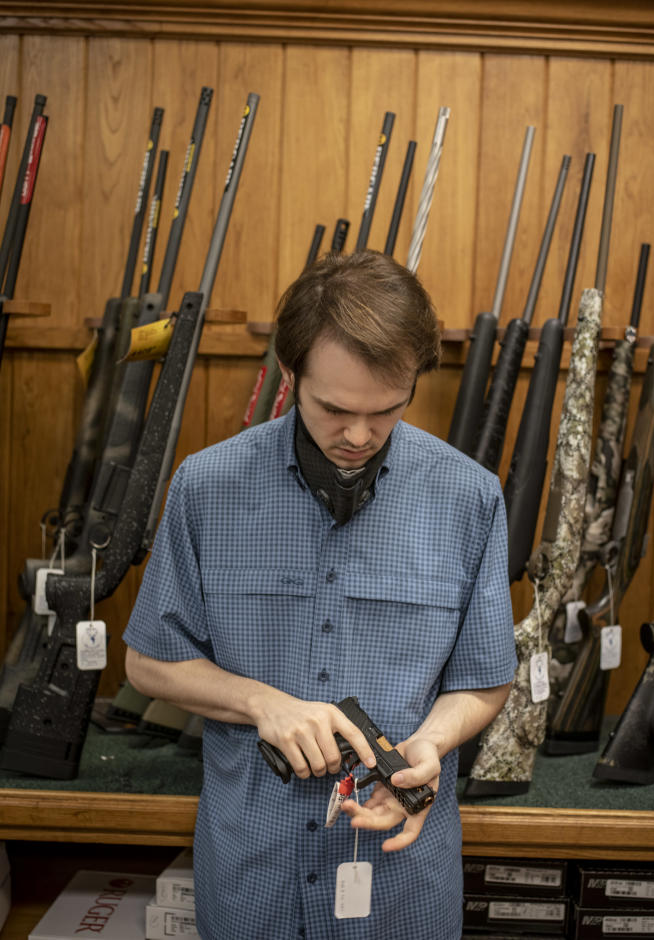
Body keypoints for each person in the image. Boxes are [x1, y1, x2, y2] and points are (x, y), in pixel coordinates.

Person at [124, 249, 517, 940]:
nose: (359, 436)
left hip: (402, 887)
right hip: (251, 878)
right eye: (333, 409)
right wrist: (260, 703)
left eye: (386, 411)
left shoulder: (470, 498)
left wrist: (428, 745)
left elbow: (484, 680)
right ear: (289, 374)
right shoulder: (204, 488)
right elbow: (148, 663)